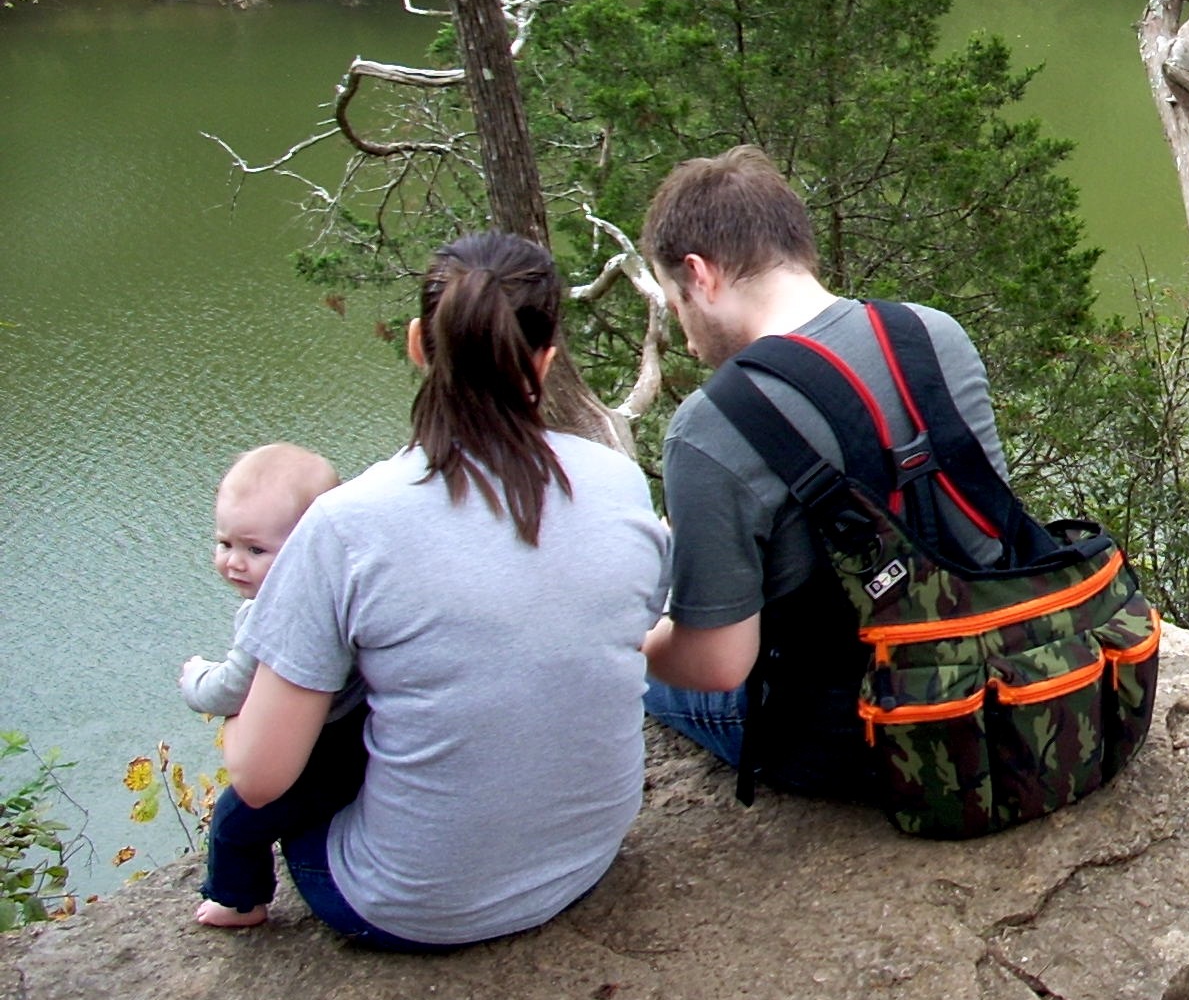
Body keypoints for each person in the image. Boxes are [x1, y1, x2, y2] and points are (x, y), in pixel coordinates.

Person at [219, 233, 668, 951]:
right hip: (585, 858)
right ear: (546, 358)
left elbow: (260, 777)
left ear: (418, 346)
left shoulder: (346, 524)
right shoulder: (616, 482)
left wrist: (232, 696)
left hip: (407, 904)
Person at [636, 146, 1018, 800]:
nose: (688, 336)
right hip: (1003, 666)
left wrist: (628, 634)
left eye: (674, 303)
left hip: (863, 734)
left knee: (633, 671)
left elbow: (718, 665)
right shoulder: (933, 333)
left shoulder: (710, 424)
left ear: (700, 276)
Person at [181, 443, 369, 931]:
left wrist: (194, 680)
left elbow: (233, 688)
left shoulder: (272, 613)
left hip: (316, 753)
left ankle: (239, 901)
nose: (234, 563)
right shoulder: (351, 587)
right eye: (225, 544)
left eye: (256, 550)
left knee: (234, 824)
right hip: (363, 736)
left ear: (307, 544)